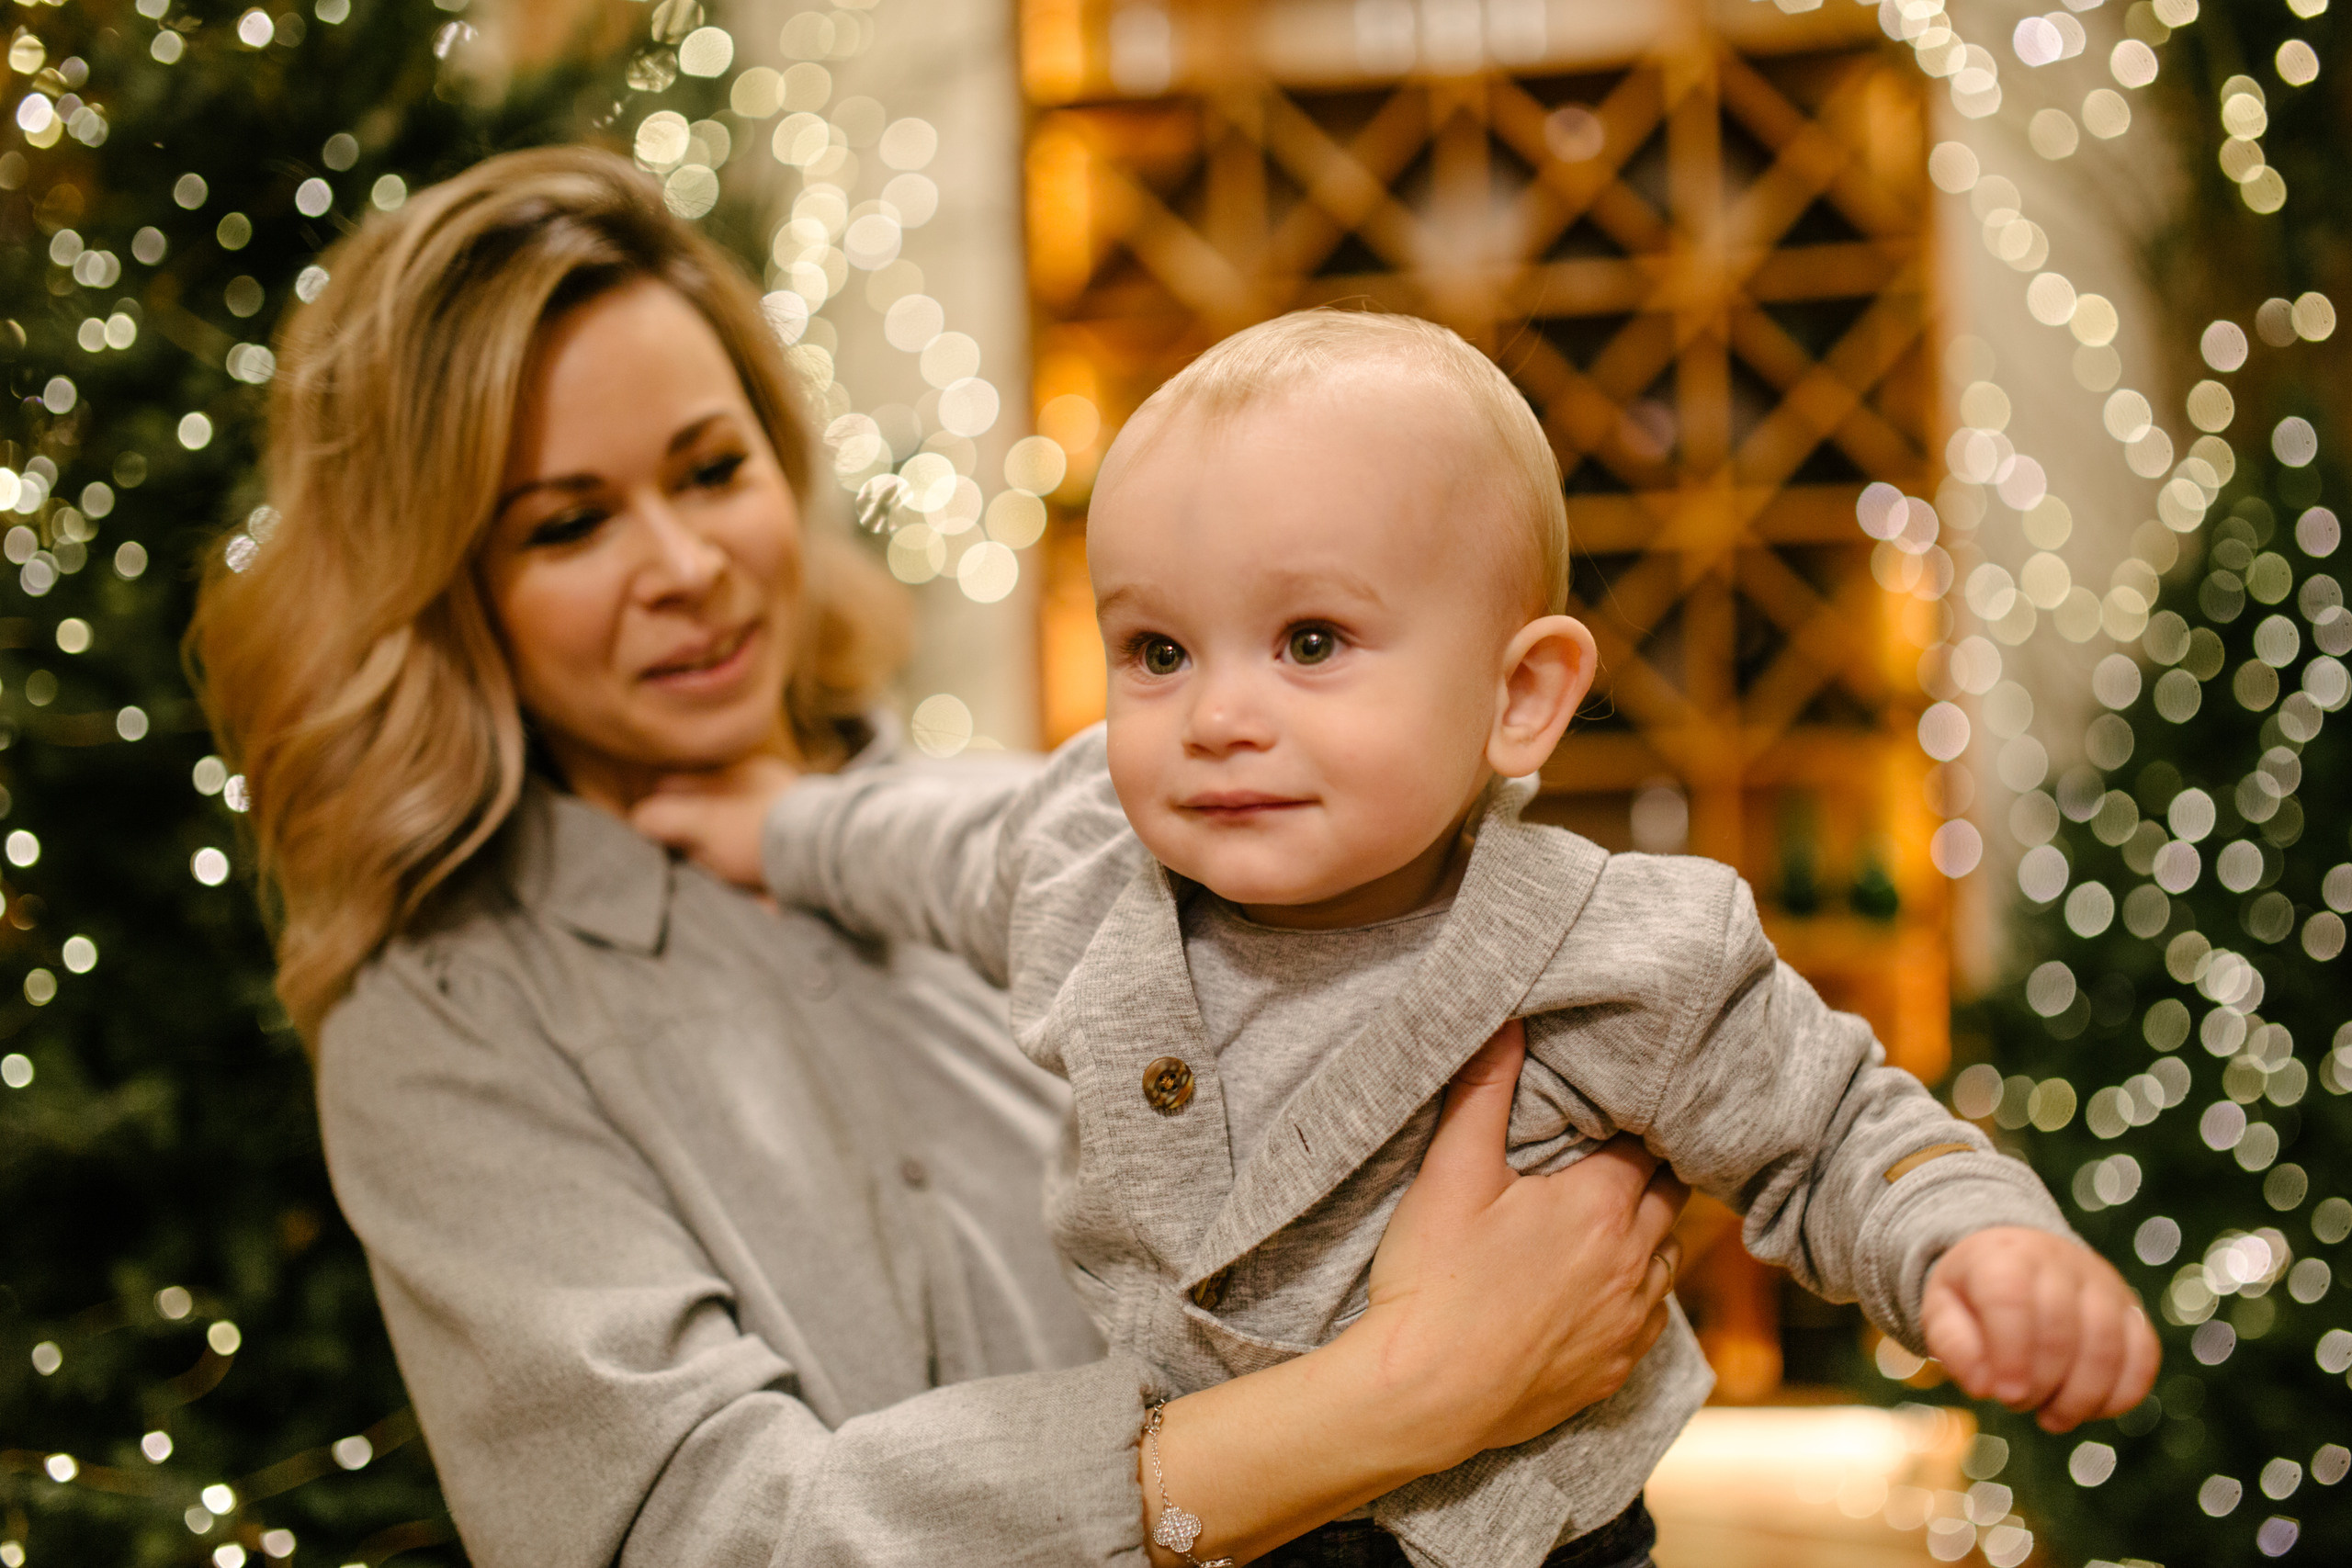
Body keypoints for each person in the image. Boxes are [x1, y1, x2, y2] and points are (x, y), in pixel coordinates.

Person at [187, 150, 1696, 1568]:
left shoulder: (1054, 836)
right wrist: (1398, 1398)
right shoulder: (444, 1014)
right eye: (571, 524)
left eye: (712, 470)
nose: (686, 566)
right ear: (446, 588)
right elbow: (698, 1536)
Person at [640, 311, 2165, 1568]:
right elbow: (920, 840)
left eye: (1312, 642)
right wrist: (767, 827)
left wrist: (1976, 1242)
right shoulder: (1079, 860)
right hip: (1188, 1508)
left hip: (1511, 1544)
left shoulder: (1616, 952)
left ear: (1519, 699)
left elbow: (1832, 1133)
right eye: (1157, 651)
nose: (1221, 714)